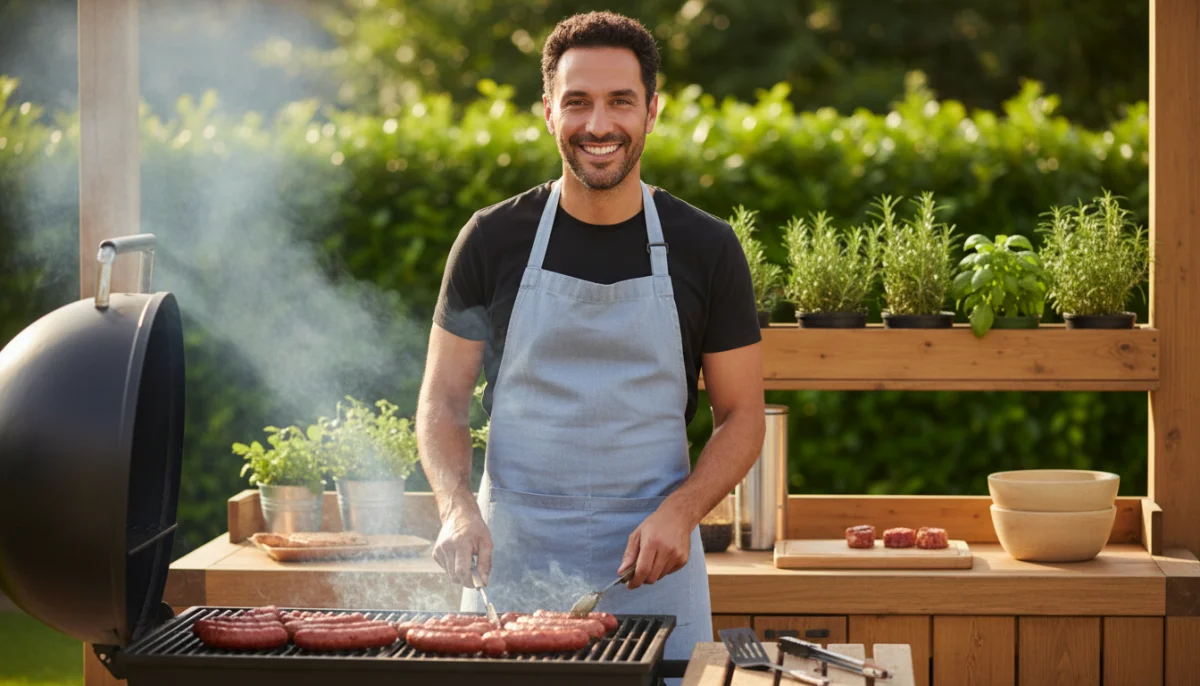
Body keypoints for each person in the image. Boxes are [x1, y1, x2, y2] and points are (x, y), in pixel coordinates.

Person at [415, 10, 766, 665]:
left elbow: (743, 416)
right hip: (510, 572)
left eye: (620, 102)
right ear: (548, 111)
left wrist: (682, 514)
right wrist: (458, 509)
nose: (598, 125)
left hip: (654, 570)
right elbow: (442, 402)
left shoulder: (706, 247)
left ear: (652, 112)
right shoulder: (491, 240)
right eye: (577, 103)